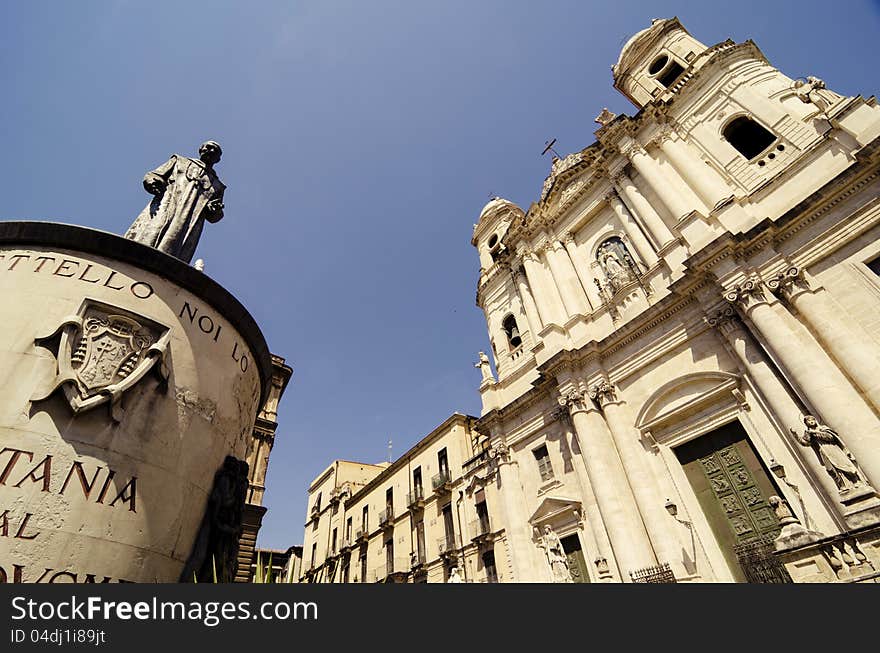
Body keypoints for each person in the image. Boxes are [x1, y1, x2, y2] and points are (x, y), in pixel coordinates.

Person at [125, 140, 226, 264]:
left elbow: (215, 216)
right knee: (152, 233)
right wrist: (153, 182)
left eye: (215, 151)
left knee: (175, 246)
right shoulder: (179, 161)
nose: (211, 151)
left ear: (218, 160)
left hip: (189, 221)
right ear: (201, 149)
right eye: (209, 147)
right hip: (168, 204)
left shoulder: (218, 186)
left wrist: (215, 210)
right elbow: (154, 175)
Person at [791, 415, 863, 493]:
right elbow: (806, 443)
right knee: (831, 470)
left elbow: (830, 437)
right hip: (823, 452)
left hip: (832, 449)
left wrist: (815, 432)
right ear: (806, 423)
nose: (811, 421)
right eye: (809, 421)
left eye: (813, 420)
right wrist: (796, 435)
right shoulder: (808, 433)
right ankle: (842, 485)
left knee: (843, 465)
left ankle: (856, 481)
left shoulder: (823, 428)